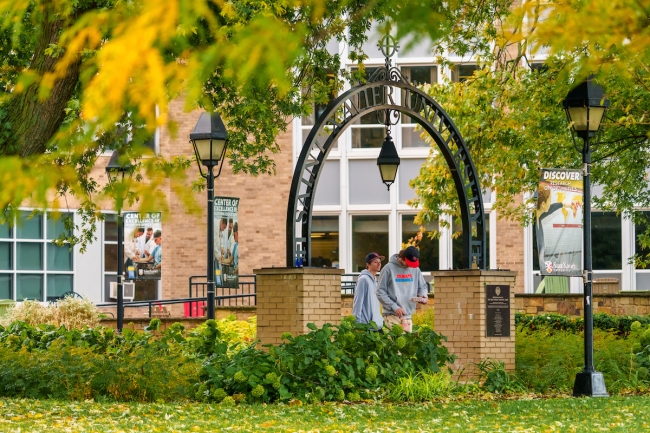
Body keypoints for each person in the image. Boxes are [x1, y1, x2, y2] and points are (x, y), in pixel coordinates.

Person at [377, 246, 428, 333]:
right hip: (392, 315)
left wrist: (422, 295)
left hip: (408, 315)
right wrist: (394, 307)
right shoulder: (388, 269)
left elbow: (422, 286)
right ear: (403, 258)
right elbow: (380, 292)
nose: (410, 266)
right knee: (395, 344)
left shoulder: (415, 269)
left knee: (407, 345)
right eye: (408, 263)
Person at [352, 252, 384, 330]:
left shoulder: (375, 280)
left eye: (379, 262)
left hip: (376, 325)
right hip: (366, 326)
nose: (379, 264)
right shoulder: (363, 279)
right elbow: (358, 302)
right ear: (368, 264)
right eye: (375, 262)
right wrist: (357, 324)